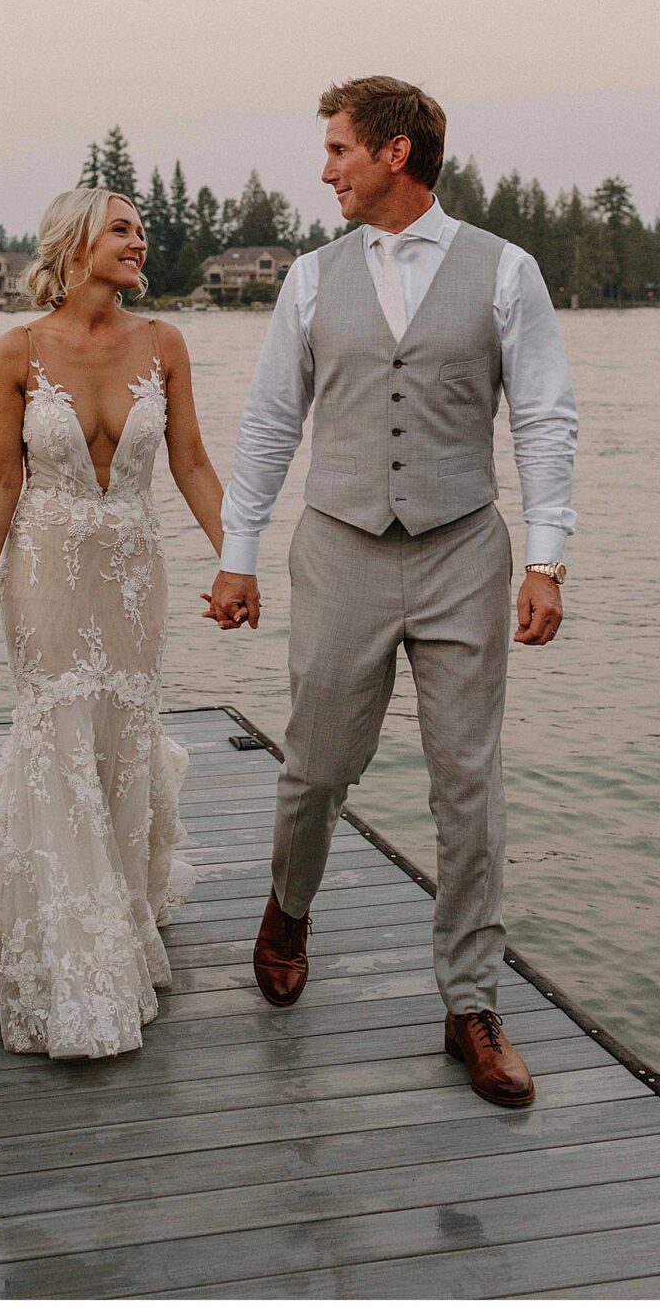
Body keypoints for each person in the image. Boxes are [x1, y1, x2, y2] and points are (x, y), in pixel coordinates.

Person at [207, 76, 577, 1108]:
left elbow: (545, 418)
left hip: (466, 551)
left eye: (338, 150)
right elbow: (271, 423)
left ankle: (471, 1003)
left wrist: (545, 559)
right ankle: (289, 906)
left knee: (470, 787)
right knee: (318, 767)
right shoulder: (313, 280)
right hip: (339, 548)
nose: (326, 169)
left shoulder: (507, 273)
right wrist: (238, 553)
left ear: (395, 153)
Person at [0, 187, 226, 1059]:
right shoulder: (16, 350)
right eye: (122, 228)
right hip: (45, 571)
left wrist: (239, 554)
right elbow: (1, 478)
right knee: (58, 733)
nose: (139, 241)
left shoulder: (166, 344)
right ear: (75, 242)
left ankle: (118, 905)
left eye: (143, 229)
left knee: (121, 732)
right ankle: (76, 952)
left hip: (133, 575)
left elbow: (188, 459)